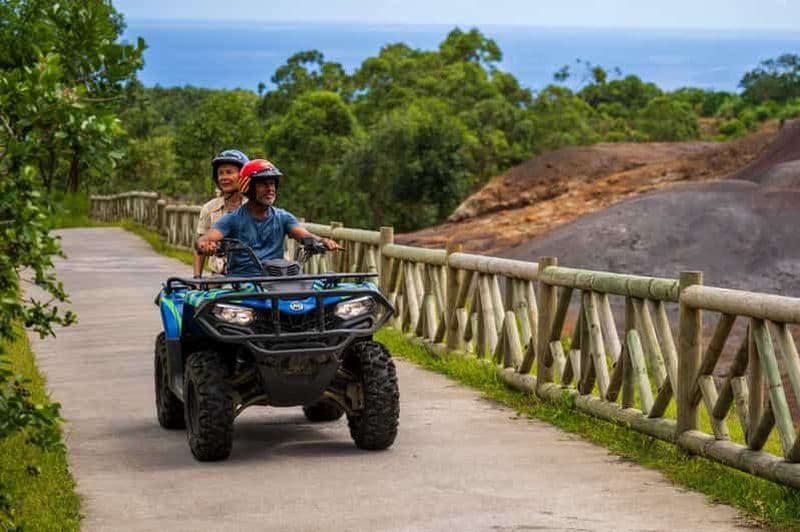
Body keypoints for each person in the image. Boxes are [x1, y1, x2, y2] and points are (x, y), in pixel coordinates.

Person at [196, 159, 341, 276]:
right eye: (263, 184)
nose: (270, 189)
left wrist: (321, 241)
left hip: (277, 280)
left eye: (272, 184)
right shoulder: (232, 219)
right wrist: (206, 245)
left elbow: (304, 236)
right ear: (249, 187)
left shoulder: (283, 217)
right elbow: (203, 240)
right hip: (241, 284)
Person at [193, 149, 249, 278]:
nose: (224, 177)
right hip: (220, 277)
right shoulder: (209, 208)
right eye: (220, 173)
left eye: (229, 172)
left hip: (252, 275)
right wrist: (197, 278)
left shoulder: (254, 207)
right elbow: (199, 247)